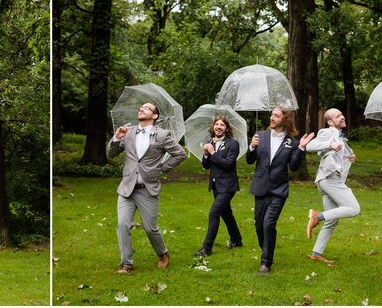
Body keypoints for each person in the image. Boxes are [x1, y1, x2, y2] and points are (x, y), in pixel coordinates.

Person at [108, 102, 187, 274]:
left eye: (146, 108)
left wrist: (161, 168)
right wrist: (116, 138)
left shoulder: (163, 135)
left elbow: (180, 154)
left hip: (147, 189)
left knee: (150, 227)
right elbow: (111, 154)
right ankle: (126, 264)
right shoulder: (127, 134)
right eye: (141, 107)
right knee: (122, 225)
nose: (141, 109)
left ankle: (163, 253)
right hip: (127, 189)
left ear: (155, 116)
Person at [245, 106, 314, 276]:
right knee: (259, 224)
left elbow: (294, 166)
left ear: (285, 119)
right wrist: (252, 147)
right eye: (272, 115)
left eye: (276, 115)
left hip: (278, 189)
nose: (272, 118)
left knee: (269, 224)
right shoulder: (260, 136)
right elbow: (249, 160)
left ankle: (265, 263)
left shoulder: (292, 142)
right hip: (260, 187)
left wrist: (301, 148)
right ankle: (266, 249)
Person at [304, 108, 360, 263]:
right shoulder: (327, 132)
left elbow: (339, 156)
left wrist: (349, 157)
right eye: (338, 116)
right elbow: (310, 146)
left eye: (342, 114)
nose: (342, 117)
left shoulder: (341, 137)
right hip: (329, 179)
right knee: (354, 209)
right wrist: (330, 144)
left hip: (326, 180)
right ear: (330, 122)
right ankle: (317, 217)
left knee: (333, 220)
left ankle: (316, 253)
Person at [192, 115, 243, 257]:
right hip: (215, 185)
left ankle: (206, 248)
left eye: (222, 125)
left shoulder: (233, 144)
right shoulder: (209, 142)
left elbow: (228, 164)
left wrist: (213, 152)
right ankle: (237, 240)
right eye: (216, 124)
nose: (219, 127)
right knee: (226, 214)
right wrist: (206, 154)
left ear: (226, 129)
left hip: (228, 186)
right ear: (213, 127)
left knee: (214, 212)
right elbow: (206, 166)